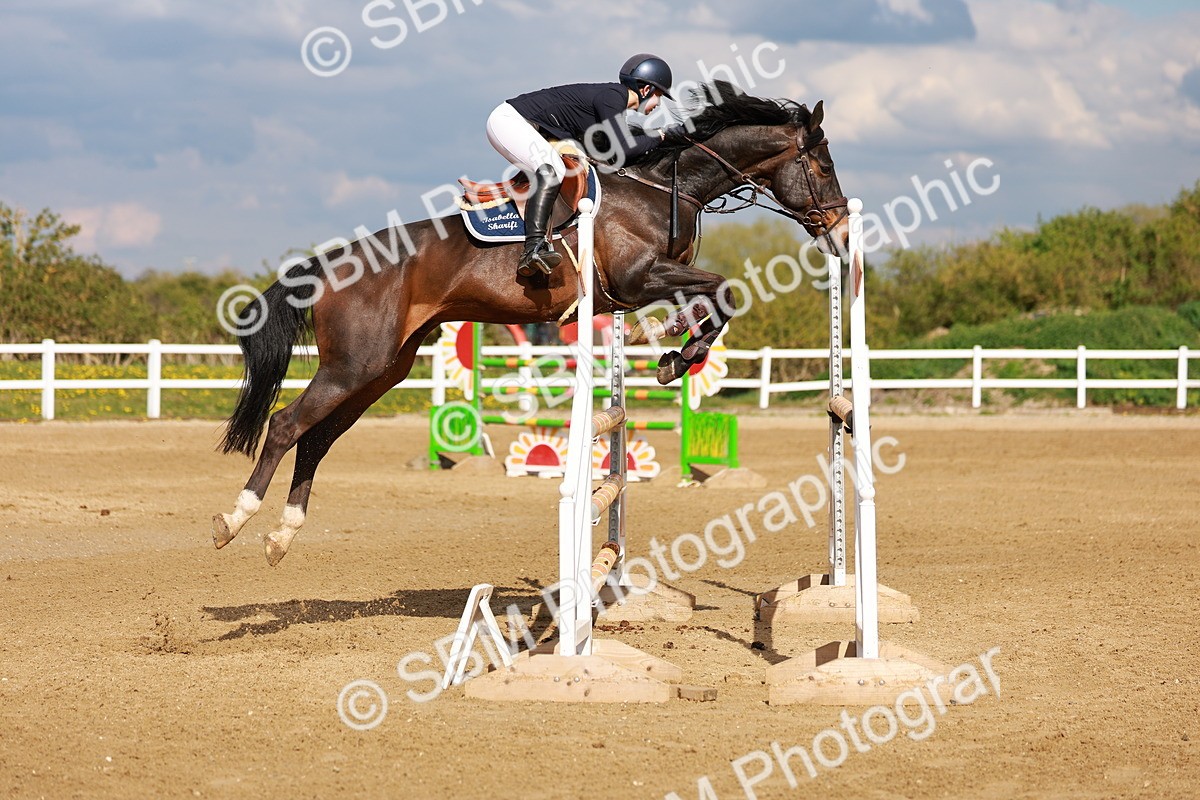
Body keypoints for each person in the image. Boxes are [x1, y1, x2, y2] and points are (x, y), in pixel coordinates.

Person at [486, 54, 675, 278]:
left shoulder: (612, 102)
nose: (658, 104)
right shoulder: (612, 97)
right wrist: (661, 136)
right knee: (552, 167)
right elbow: (623, 148)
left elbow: (612, 155)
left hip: (522, 125)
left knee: (560, 167)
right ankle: (533, 248)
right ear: (645, 90)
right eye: (659, 96)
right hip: (509, 121)